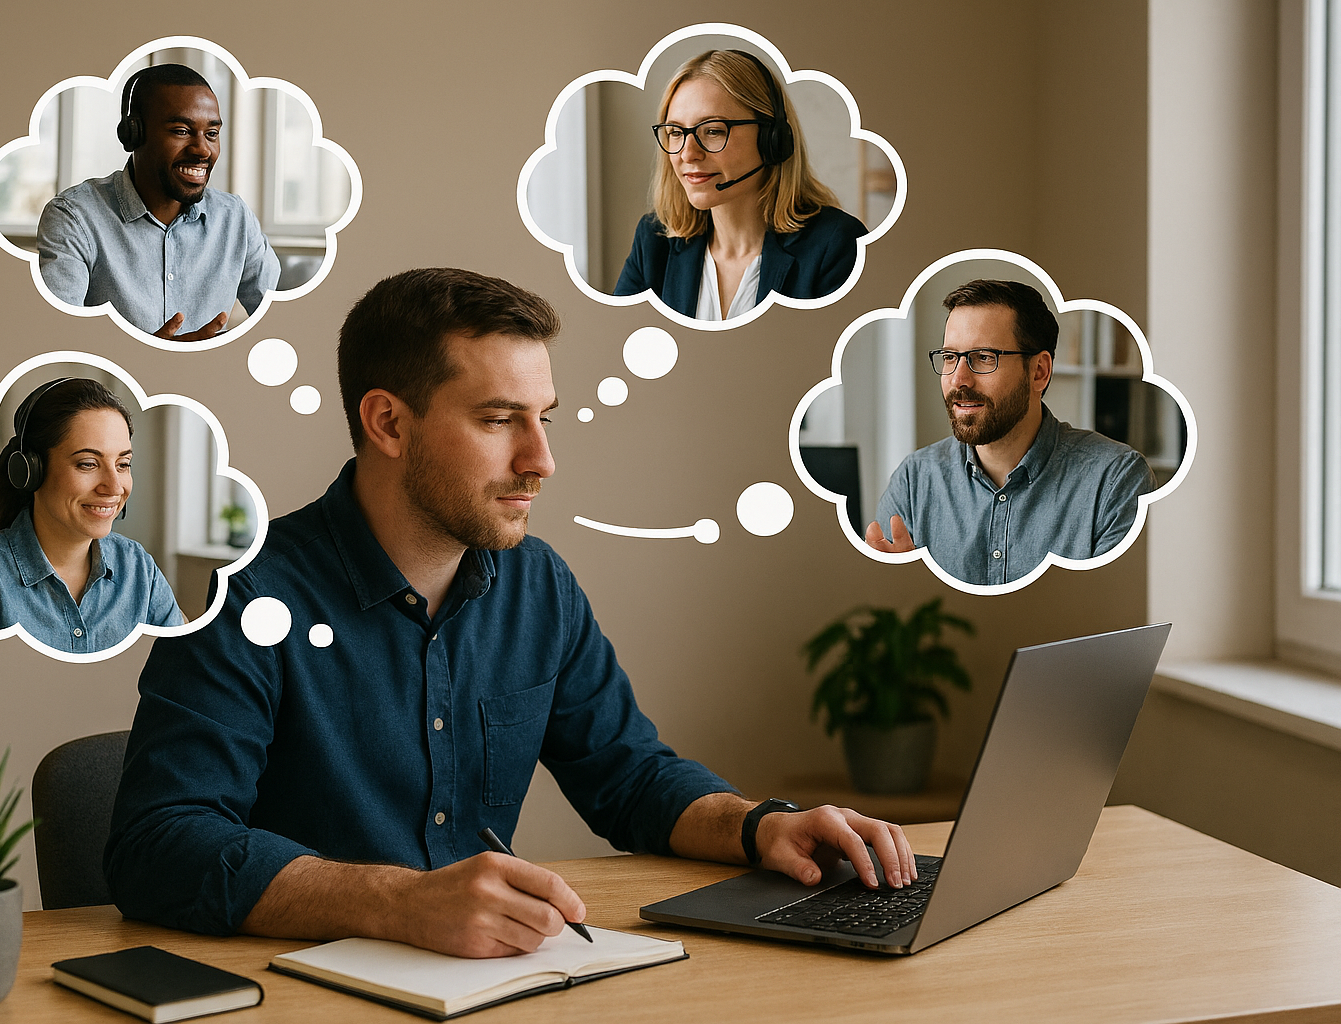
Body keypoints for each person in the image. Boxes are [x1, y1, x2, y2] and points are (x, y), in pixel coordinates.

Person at [106, 268, 915, 957]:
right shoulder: (239, 598)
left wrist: (762, 826)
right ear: (387, 422)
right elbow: (157, 847)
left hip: (493, 984)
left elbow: (631, 777)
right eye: (499, 421)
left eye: (544, 419)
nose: (542, 460)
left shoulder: (538, 585)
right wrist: (399, 903)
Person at [865, 280, 1156, 587]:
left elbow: (1113, 623)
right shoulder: (914, 480)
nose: (959, 379)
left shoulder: (1115, 480)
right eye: (950, 357)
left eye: (984, 357)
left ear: (1039, 371)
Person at [613, 50, 867, 320]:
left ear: (772, 140)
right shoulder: (653, 242)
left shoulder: (837, 245)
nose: (687, 154)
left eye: (712, 131)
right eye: (676, 133)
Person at [36, 64, 280, 341]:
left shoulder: (235, 217)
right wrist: (150, 356)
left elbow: (283, 320)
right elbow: (57, 339)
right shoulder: (74, 217)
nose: (202, 149)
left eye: (211, 134)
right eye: (181, 131)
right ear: (134, 134)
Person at [0, 378, 182, 653]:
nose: (114, 487)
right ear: (30, 471)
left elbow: (181, 676)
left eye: (123, 464)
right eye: (88, 464)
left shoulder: (138, 567)